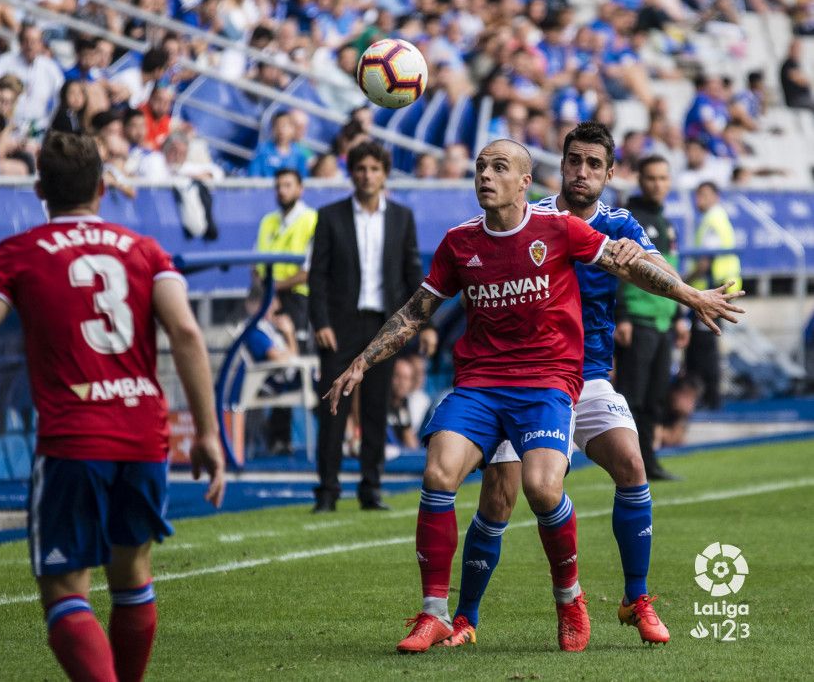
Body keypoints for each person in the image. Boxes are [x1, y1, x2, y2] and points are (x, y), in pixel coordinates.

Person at [322, 138, 744, 654]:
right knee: (481, 490)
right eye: (481, 166)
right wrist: (363, 361)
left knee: (596, 474)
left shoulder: (605, 225)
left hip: (565, 374)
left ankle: (620, 598)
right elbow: (416, 310)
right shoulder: (478, 234)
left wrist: (693, 295)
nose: (485, 175)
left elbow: (638, 266)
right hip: (486, 380)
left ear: (608, 172)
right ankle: (450, 614)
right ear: (554, 171)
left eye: (498, 167)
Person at [0, 132, 225, 682]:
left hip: (74, 437)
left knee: (66, 589)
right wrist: (208, 433)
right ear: (101, 186)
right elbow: (186, 332)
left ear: (40, 188)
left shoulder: (17, 255)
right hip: (144, 434)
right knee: (131, 574)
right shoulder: (144, 250)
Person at [308, 141, 436, 513]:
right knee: (333, 408)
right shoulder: (330, 216)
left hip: (384, 326)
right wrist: (321, 322)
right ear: (352, 173)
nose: (367, 176)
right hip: (340, 325)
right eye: (361, 169)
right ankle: (327, 491)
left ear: (384, 174)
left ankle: (371, 489)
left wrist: (423, 323)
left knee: (377, 410)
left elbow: (413, 272)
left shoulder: (401, 217)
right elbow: (317, 276)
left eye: (374, 169)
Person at [614, 155, 688, 481]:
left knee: (656, 397)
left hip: (662, 322)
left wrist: (679, 317)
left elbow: (671, 275)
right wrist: (623, 316)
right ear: (640, 181)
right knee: (632, 397)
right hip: (639, 320)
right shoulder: (629, 220)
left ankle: (648, 462)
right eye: (651, 178)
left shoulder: (666, 223)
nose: (658, 184)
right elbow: (616, 272)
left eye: (663, 178)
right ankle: (626, 463)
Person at [254, 168, 318, 455]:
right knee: (279, 366)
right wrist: (266, 296)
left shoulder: (311, 220)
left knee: (300, 365)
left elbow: (309, 270)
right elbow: (255, 264)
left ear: (300, 189)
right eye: (278, 185)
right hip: (271, 302)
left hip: (299, 301)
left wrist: (274, 288)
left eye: (288, 185)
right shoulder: (267, 221)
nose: (282, 190)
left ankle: (331, 433)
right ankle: (278, 439)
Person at [684, 181, 743, 409]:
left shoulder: (712, 221)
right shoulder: (719, 219)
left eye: (704, 195)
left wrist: (682, 283)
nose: (699, 200)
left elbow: (705, 261)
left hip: (711, 291)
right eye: (697, 195)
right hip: (717, 290)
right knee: (706, 344)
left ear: (715, 197)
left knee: (703, 347)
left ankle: (708, 399)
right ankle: (709, 397)